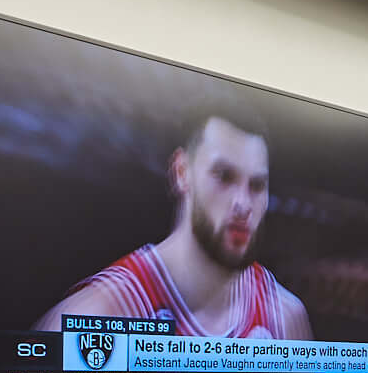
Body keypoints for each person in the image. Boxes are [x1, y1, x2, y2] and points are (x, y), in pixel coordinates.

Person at [36, 110, 313, 339]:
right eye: (224, 176)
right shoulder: (97, 314)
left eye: (256, 185)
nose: (243, 204)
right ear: (181, 172)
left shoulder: (284, 317)